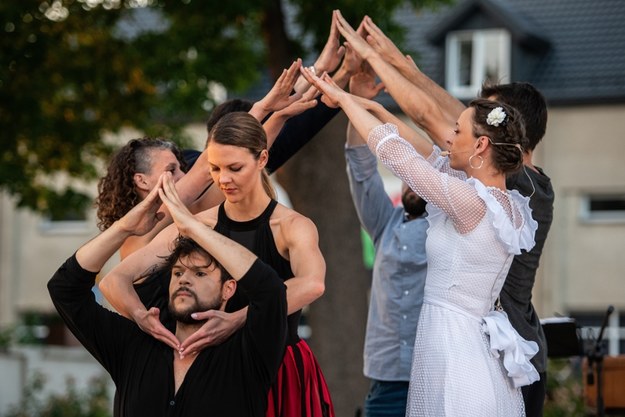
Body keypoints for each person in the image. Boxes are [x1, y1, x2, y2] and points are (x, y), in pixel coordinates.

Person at [340, 14, 553, 415]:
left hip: (496, 352)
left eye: (465, 129)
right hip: (467, 343)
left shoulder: (516, 186)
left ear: (488, 141)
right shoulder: (491, 183)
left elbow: (427, 122)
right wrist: (403, 71)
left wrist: (376, 66)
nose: (453, 133)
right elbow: (435, 133)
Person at [99, 111, 334, 417]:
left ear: (262, 160)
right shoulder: (196, 224)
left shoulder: (292, 225)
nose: (223, 179)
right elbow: (113, 280)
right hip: (212, 369)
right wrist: (144, 320)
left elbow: (312, 284)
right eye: (215, 169)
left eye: (235, 168)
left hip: (278, 369)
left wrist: (238, 319)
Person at [48, 172, 288, 416]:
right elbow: (65, 288)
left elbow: (270, 291)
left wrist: (193, 228)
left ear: (229, 289)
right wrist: (123, 228)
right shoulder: (134, 346)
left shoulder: (249, 352)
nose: (184, 278)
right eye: (177, 272)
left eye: (200, 274)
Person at [345, 122, 428, 417]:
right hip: (386, 377)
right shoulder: (385, 222)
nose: (410, 182)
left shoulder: (454, 227)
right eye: (406, 175)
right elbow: (362, 172)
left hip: (436, 375)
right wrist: (359, 102)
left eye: (419, 174)